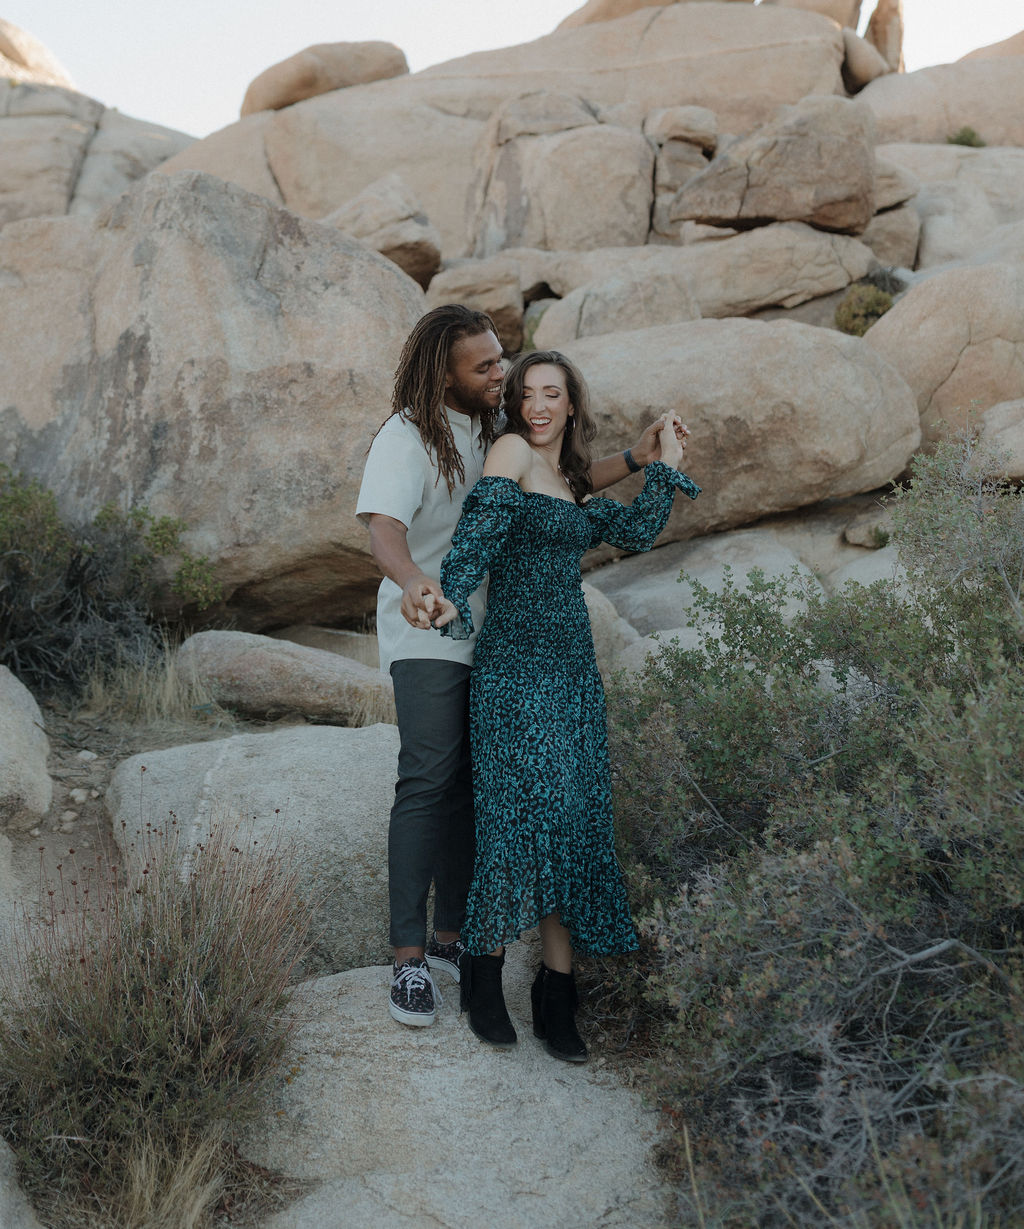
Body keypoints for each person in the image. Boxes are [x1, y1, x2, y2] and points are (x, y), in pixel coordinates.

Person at [356, 306, 684, 1030]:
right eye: (485, 367)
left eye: (502, 358)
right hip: (431, 623)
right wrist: (416, 584)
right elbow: (384, 528)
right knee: (430, 777)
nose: (501, 374)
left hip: (502, 632)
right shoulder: (406, 436)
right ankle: (410, 957)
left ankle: (454, 937)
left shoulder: (494, 430)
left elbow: (561, 484)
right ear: (444, 373)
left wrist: (636, 459)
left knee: (483, 786)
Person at [433, 349, 700, 1061]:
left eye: (553, 393)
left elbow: (636, 529)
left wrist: (659, 458)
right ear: (515, 404)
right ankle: (483, 977)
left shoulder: (570, 481)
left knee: (575, 820)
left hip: (573, 674)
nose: (538, 404)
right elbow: (481, 528)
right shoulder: (513, 452)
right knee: (521, 813)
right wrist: (450, 590)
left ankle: (558, 998)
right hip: (514, 668)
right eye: (527, 392)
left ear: (571, 403)